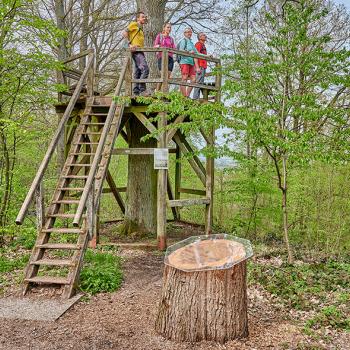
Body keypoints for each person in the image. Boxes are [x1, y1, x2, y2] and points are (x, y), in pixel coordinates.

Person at [123, 11, 149, 96]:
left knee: (138, 71)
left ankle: (136, 91)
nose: (144, 18)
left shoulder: (141, 28)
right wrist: (129, 44)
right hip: (136, 51)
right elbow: (124, 32)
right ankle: (142, 89)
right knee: (145, 68)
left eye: (145, 17)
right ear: (138, 18)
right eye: (142, 17)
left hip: (140, 51)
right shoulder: (134, 24)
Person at [177, 27, 201, 97]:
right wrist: (189, 52)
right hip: (184, 61)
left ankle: (187, 95)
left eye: (190, 32)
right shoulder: (183, 41)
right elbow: (181, 50)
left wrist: (207, 55)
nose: (189, 33)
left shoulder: (191, 43)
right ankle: (184, 96)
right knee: (184, 78)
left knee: (193, 79)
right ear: (184, 33)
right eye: (187, 32)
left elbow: (197, 53)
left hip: (191, 63)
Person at [193, 32, 209, 99]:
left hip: (203, 66)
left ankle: (197, 98)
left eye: (205, 35)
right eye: (203, 35)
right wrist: (197, 67)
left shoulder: (203, 45)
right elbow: (195, 56)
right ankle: (195, 99)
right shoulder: (198, 44)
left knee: (201, 84)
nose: (205, 36)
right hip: (199, 66)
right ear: (199, 37)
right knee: (198, 83)